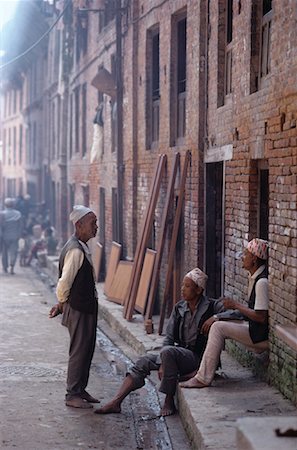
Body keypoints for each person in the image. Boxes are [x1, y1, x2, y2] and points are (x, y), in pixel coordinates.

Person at [94, 268, 224, 417]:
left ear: (199, 290)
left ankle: (169, 400)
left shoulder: (211, 306)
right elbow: (169, 337)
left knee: (169, 352)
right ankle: (116, 402)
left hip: (198, 358)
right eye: (182, 285)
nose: (182, 289)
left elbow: (235, 313)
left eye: (187, 286)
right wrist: (162, 361)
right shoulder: (179, 307)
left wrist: (215, 317)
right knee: (144, 362)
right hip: (179, 355)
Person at [180, 238, 269, 389]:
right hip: (255, 330)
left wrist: (236, 305)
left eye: (246, 254)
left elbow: (260, 317)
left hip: (260, 336)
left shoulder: (261, 283)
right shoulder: (254, 278)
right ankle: (204, 371)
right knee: (218, 324)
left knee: (217, 328)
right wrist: (217, 316)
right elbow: (246, 313)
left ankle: (203, 377)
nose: (243, 257)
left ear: (254, 258)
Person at [49, 205, 99, 409]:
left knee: (87, 348)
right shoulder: (75, 250)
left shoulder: (79, 245)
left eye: (96, 223)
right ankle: (72, 394)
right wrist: (62, 302)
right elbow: (64, 282)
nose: (96, 227)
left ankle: (80, 389)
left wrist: (61, 304)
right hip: (79, 308)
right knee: (79, 350)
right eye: (92, 223)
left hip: (83, 306)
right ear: (79, 225)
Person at [1, 198, 22, 274]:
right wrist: (20, 234)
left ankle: (5, 267)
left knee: (4, 253)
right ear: (13, 205)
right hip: (15, 235)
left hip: (4, 236)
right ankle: (12, 267)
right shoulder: (18, 214)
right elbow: (20, 226)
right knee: (14, 251)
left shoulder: (2, 214)